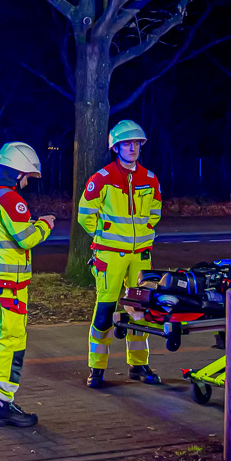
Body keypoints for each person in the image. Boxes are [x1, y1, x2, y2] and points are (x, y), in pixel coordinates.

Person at [0, 142, 56, 427]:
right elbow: (26, 238)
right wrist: (44, 224)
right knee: (11, 343)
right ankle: (3, 404)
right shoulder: (9, 198)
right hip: (9, 288)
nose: (27, 182)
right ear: (16, 172)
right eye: (27, 176)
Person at [77, 120, 163, 388]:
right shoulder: (101, 178)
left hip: (141, 255)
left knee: (140, 311)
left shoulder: (150, 178)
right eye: (127, 144)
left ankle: (138, 365)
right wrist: (105, 234)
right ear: (116, 148)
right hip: (110, 255)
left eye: (136, 143)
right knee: (104, 311)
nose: (133, 148)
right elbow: (85, 215)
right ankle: (96, 368)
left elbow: (156, 212)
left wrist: (145, 230)